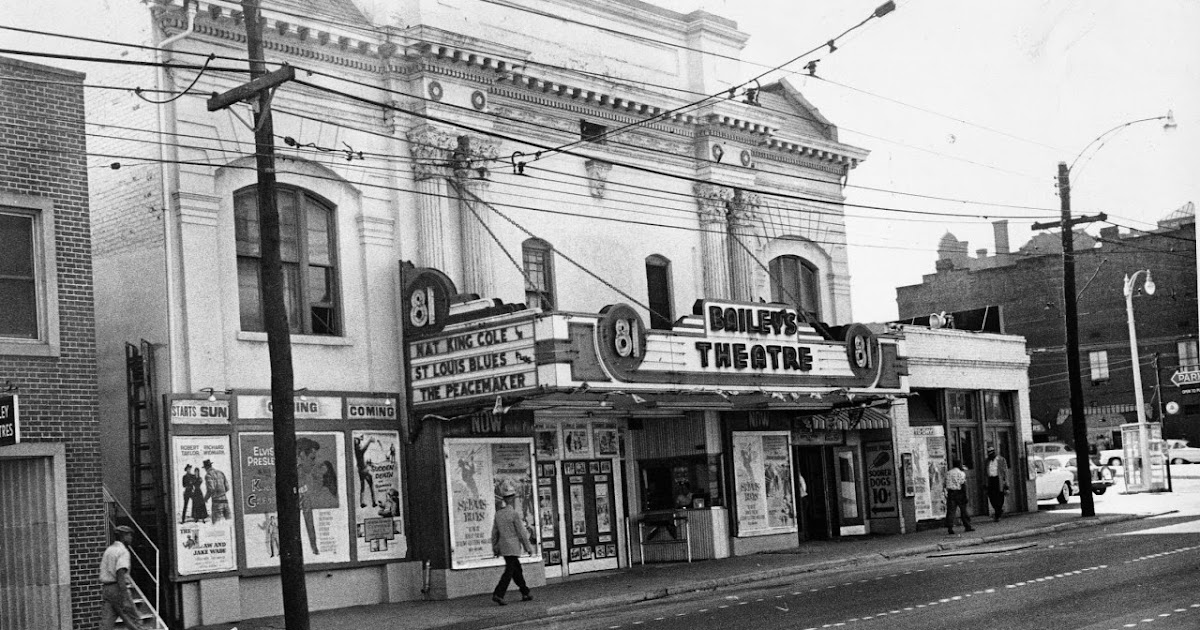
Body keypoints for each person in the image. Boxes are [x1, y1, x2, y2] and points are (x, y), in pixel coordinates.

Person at [491, 480, 535, 606]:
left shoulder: (498, 514)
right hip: (513, 547)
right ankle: (498, 594)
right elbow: (521, 533)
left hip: (503, 547)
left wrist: (495, 547)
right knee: (510, 571)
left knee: (517, 570)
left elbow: (494, 533)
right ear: (512, 499)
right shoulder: (514, 514)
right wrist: (528, 548)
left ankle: (525, 592)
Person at [99, 525, 147, 630]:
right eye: (129, 535)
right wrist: (125, 597)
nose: (131, 538)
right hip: (118, 589)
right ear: (123, 536)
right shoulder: (123, 552)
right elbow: (120, 572)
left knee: (106, 623)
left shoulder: (109, 550)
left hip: (107, 589)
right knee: (134, 620)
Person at [944, 459, 974, 535]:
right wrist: (965, 496)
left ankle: (950, 527)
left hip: (951, 492)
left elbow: (945, 483)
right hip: (959, 492)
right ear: (959, 465)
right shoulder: (961, 473)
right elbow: (963, 485)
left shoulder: (948, 473)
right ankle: (967, 526)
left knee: (951, 511)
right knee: (963, 510)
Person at [984, 447, 1010, 522]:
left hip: (998, 480)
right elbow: (985, 473)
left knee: (1000, 496)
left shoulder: (1001, 460)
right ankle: (997, 510)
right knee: (992, 497)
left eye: (992, 453)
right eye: (989, 453)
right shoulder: (987, 461)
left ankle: (997, 513)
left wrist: (1006, 483)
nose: (990, 455)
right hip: (990, 480)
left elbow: (1005, 472)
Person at [354, 434, 379, 508]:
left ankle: (362, 502)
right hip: (364, 470)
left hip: (360, 470)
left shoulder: (356, 449)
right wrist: (369, 441)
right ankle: (373, 501)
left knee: (362, 486)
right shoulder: (358, 450)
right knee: (370, 484)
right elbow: (364, 449)